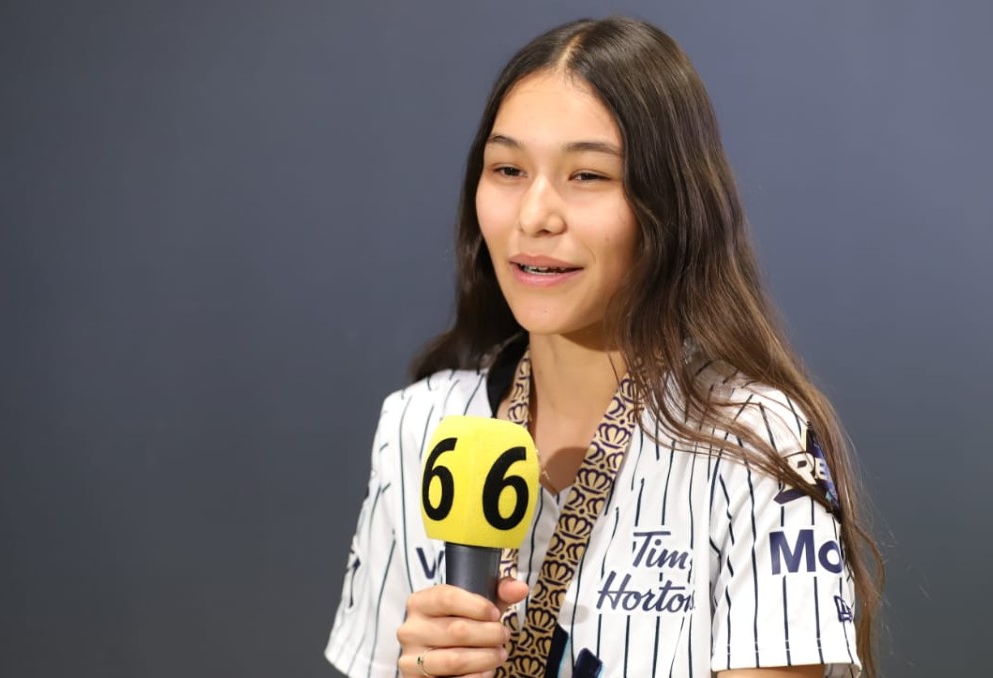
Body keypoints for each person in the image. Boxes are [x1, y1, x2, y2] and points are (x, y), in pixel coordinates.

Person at [325, 15, 881, 678]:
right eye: (507, 169)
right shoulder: (417, 427)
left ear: (669, 206)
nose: (534, 215)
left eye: (587, 176)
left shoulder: (757, 442)